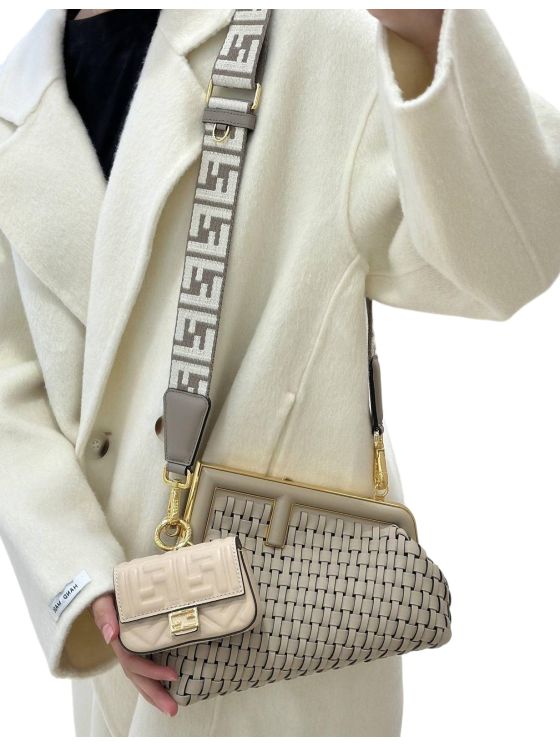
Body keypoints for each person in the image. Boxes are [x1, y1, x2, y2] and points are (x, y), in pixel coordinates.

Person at [0, 8, 559, 738]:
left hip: (291, 657)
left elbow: (514, 259)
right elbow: (10, 383)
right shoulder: (16, 102)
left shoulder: (304, 38)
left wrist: (431, 34)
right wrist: (78, 576)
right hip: (126, 667)